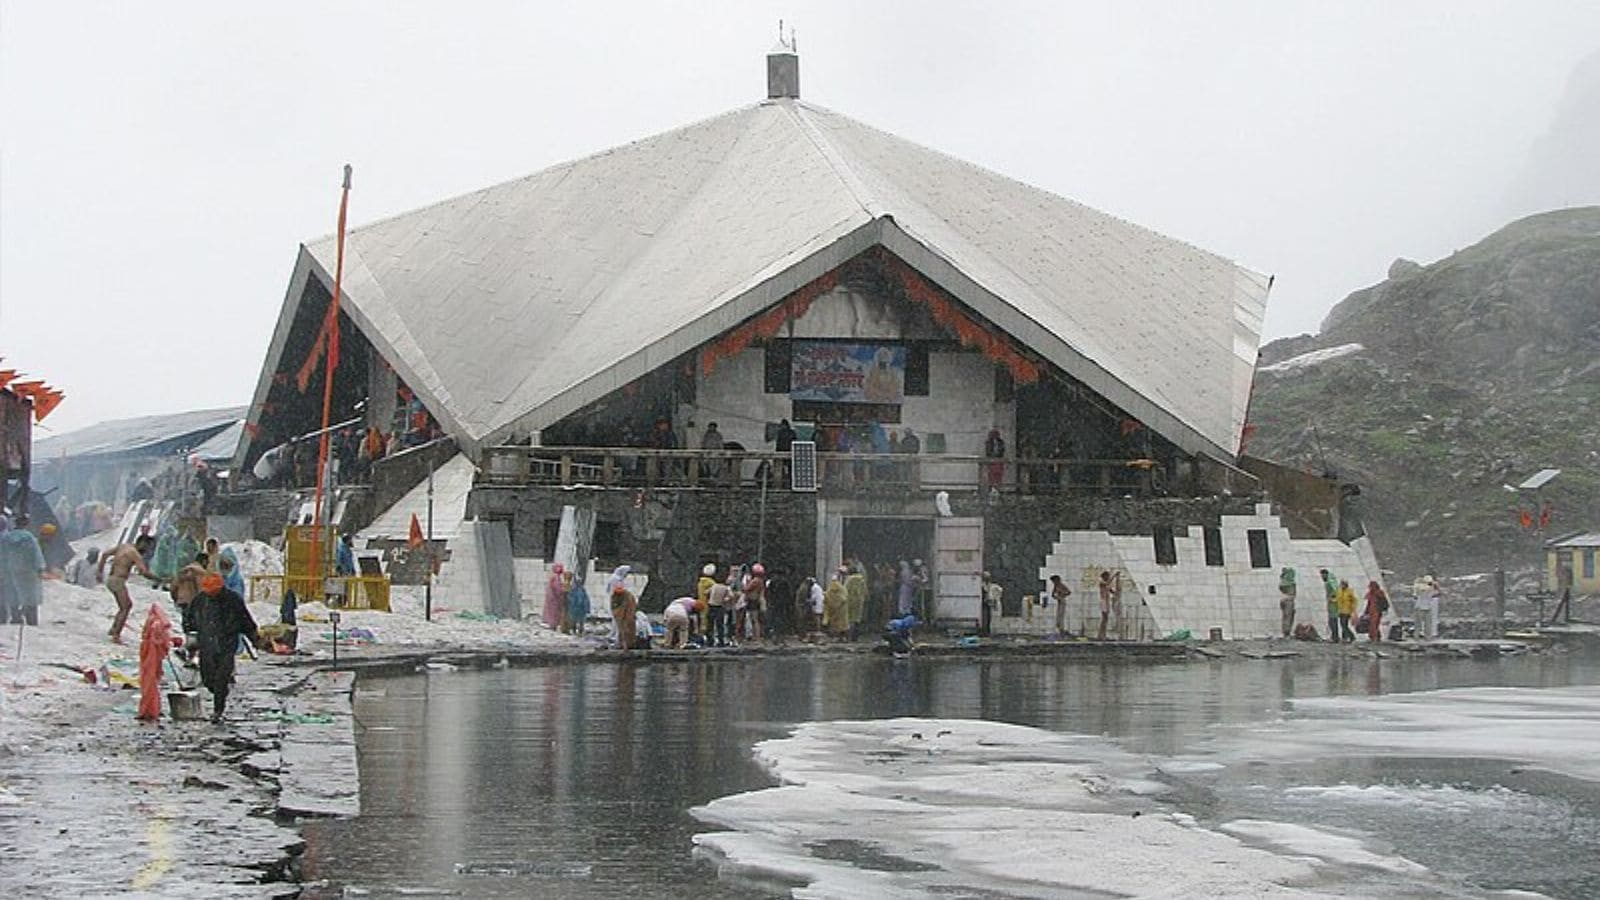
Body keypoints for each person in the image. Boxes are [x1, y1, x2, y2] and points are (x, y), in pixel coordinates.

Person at [192, 572, 263, 723]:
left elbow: (245, 620)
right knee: (208, 679)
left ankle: (218, 710)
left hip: (227, 644)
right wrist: (190, 635)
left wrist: (254, 638)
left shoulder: (233, 599)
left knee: (221, 677)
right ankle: (220, 692)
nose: (211, 594)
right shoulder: (200, 600)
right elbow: (190, 618)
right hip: (207, 644)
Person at [99, 535, 156, 643]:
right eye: (147, 546)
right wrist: (159, 579)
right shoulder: (135, 554)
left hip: (111, 579)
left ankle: (114, 629)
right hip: (118, 580)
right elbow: (144, 572)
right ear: (142, 543)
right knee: (126, 607)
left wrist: (100, 571)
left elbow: (105, 554)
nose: (147, 550)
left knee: (124, 606)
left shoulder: (124, 546)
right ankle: (116, 635)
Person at [0, 516, 46, 626]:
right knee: (30, 596)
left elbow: (2, 555)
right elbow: (36, 554)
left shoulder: (6, 538)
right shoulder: (29, 538)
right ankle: (31, 620)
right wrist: (39, 568)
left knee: (13, 595)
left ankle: (16, 618)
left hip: (10, 571)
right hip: (28, 572)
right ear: (26, 525)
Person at [136, 603, 173, 722]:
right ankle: (152, 709)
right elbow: (162, 643)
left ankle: (148, 709)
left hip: (149, 655)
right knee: (151, 682)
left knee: (148, 682)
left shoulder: (153, 623)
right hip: (153, 655)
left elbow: (155, 640)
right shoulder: (159, 624)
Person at [170, 551, 210, 635]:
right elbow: (201, 589)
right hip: (195, 603)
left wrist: (176, 598)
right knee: (195, 627)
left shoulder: (183, 571)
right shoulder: (201, 572)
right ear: (204, 561)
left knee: (186, 625)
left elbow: (173, 587)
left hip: (183, 601)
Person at [610, 582, 638, 650]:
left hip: (629, 617)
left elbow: (631, 607)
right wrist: (618, 614)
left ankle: (629, 645)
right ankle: (622, 644)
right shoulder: (614, 596)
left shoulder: (628, 596)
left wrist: (628, 615)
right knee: (621, 631)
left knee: (629, 631)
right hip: (620, 617)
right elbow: (614, 607)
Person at [743, 563, 767, 641]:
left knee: (754, 619)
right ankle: (756, 635)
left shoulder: (755, 581)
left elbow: (746, 588)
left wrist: (746, 582)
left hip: (752, 600)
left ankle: (756, 635)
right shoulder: (761, 581)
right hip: (756, 600)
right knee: (756, 619)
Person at [1096, 570, 1123, 641]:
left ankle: (1102, 635)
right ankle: (1100, 635)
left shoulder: (1107, 584)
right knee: (1104, 619)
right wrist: (1114, 575)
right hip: (1103, 601)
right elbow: (1108, 583)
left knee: (1105, 619)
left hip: (1107, 602)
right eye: (1107, 576)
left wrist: (1118, 580)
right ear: (1104, 576)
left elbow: (1113, 591)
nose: (1108, 577)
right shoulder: (1101, 582)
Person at [1414, 574, 1442, 639]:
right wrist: (1435, 585)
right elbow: (1438, 592)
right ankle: (1420, 636)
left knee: (1426, 624)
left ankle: (1425, 636)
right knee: (1421, 623)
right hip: (1421, 607)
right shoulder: (1424, 588)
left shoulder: (1428, 589)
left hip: (1426, 607)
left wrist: (1435, 586)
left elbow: (1438, 593)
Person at [844, 564, 868, 640]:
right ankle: (855, 636)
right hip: (860, 601)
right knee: (857, 619)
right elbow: (865, 591)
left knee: (849, 619)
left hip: (850, 601)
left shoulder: (849, 579)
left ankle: (849, 636)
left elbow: (845, 589)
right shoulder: (862, 579)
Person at [824, 568, 849, 637]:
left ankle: (839, 636)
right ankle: (841, 636)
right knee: (840, 622)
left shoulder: (840, 583)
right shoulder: (837, 583)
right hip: (840, 606)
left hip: (838, 606)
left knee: (838, 622)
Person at [543, 563, 568, 629]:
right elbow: (557, 588)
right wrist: (563, 591)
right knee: (554, 612)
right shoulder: (556, 578)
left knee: (552, 611)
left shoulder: (554, 577)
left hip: (552, 597)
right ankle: (553, 625)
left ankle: (553, 624)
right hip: (554, 598)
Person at [1334, 579, 1359, 643]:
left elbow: (1354, 600)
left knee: (1344, 625)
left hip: (1347, 611)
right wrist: (1333, 600)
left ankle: (1351, 636)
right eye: (1341, 584)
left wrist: (1353, 609)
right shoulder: (1339, 591)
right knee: (1343, 625)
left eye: (1343, 584)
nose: (1342, 585)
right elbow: (1337, 599)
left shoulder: (1349, 591)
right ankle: (1344, 637)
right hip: (1340, 611)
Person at [1320, 569, 1339, 641]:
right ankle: (1334, 636)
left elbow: (1335, 591)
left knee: (1332, 621)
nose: (1322, 577)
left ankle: (1334, 637)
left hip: (1333, 605)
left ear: (1325, 574)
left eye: (1322, 575)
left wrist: (1332, 598)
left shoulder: (1329, 582)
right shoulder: (1331, 581)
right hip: (1332, 605)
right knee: (1333, 621)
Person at [1278, 566, 1298, 638]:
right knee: (1288, 616)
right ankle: (1287, 632)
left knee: (1285, 616)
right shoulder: (1290, 583)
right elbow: (1293, 593)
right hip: (1289, 600)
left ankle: (1285, 631)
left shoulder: (1282, 582)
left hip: (1283, 600)